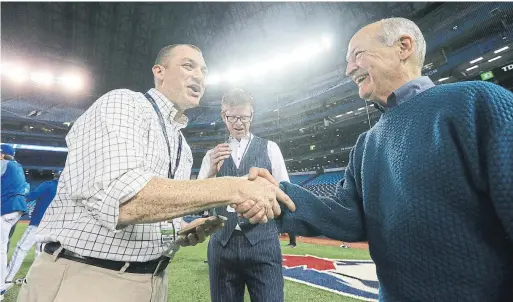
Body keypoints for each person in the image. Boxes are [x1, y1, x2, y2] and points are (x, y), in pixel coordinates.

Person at [236, 17, 513, 301]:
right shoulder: (366, 143)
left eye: (357, 55)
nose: (347, 70)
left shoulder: (478, 102)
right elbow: (348, 217)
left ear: (403, 47)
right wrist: (277, 196)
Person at [18, 44, 294, 302]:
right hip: (88, 277)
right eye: (188, 65)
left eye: (203, 70)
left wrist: (178, 231)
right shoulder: (124, 104)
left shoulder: (181, 145)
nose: (199, 75)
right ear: (159, 72)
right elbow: (125, 202)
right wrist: (234, 187)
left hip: (151, 280)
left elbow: (154, 211)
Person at [198, 89, 290, 302]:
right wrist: (211, 171)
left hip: (263, 242)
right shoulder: (211, 155)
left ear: (252, 115)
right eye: (232, 117)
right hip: (222, 245)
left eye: (244, 117)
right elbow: (199, 202)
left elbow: (284, 191)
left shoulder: (270, 148)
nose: (238, 123)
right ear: (223, 116)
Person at [3, 171, 61, 292]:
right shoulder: (65, 189)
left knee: (21, 249)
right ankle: (34, 280)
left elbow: (31, 196)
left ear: (55, 176)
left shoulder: (49, 185)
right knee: (40, 253)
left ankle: (7, 279)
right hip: (53, 226)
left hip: (38, 224)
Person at [1, 144, 29, 298]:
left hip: (7, 208)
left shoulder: (4, 164)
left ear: (2, 155)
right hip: (16, 209)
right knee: (3, 245)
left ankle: (0, 288)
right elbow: (27, 188)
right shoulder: (17, 166)